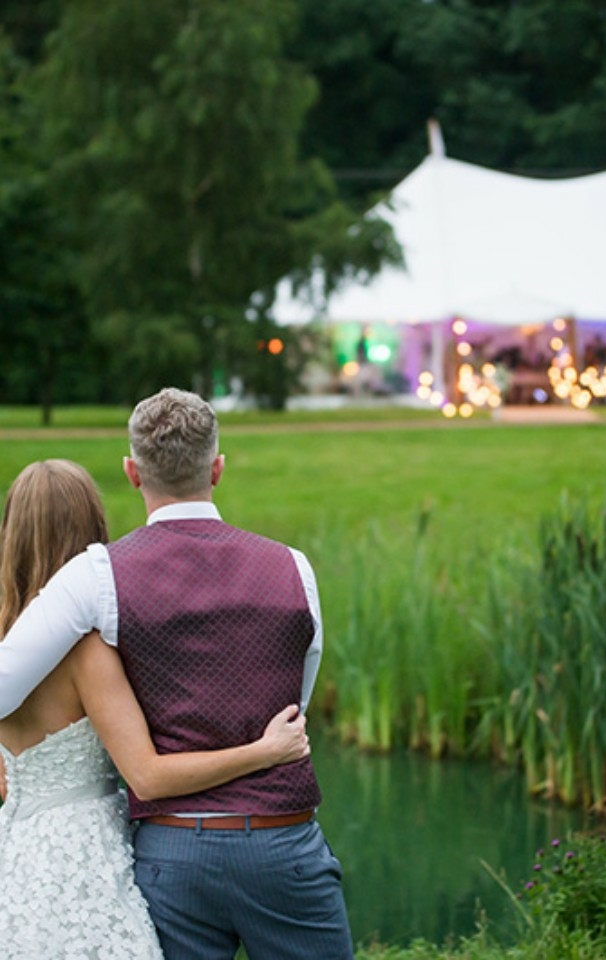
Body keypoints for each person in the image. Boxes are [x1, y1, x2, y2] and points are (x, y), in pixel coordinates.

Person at [0, 388, 354, 960]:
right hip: (281, 840)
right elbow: (295, 704)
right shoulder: (294, 567)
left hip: (171, 853)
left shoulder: (96, 576)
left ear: (132, 473)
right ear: (217, 468)